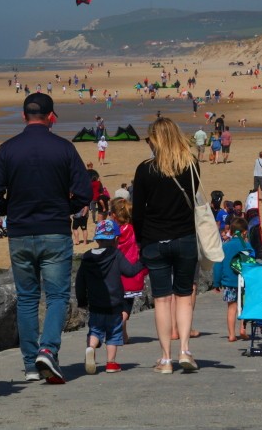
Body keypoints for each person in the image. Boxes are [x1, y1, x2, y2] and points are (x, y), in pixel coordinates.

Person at [0, 93, 91, 384]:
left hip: (21, 232)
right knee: (56, 295)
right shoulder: (64, 148)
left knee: (28, 297)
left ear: (24, 116)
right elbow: (84, 193)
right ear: (51, 117)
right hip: (54, 229)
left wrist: (13, 209)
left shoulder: (8, 149)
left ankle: (32, 363)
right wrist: (63, 208)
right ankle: (47, 349)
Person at [131, 117, 201, 373]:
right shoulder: (191, 165)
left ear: (156, 140)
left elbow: (138, 212)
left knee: (162, 300)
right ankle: (184, 349)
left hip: (154, 239)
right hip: (185, 237)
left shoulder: (145, 169)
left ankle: (165, 359)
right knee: (184, 295)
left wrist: (140, 239)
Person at [76, 216, 143, 375]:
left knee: (95, 330)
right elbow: (130, 271)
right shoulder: (115, 254)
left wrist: (82, 300)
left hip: (95, 305)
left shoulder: (86, 257)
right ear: (115, 239)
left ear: (97, 239)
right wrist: (144, 261)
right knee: (113, 334)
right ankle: (111, 363)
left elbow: (80, 281)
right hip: (114, 305)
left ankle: (91, 348)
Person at [113, 198, 145, 342]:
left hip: (115, 274)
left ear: (114, 215)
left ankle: (118, 329)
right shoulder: (134, 230)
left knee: (119, 305)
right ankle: (121, 332)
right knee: (126, 306)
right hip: (132, 274)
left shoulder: (113, 232)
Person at [213, 217, 250, 342]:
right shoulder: (247, 246)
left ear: (232, 232)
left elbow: (218, 265)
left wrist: (216, 283)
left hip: (229, 282)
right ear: (244, 232)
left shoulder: (225, 247)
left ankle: (231, 335)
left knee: (231, 308)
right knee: (244, 307)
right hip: (244, 282)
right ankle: (242, 330)